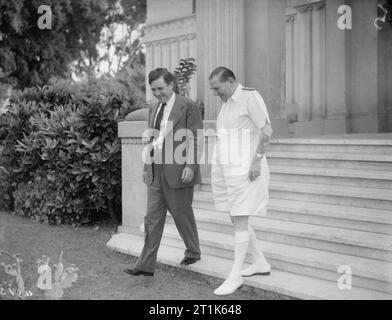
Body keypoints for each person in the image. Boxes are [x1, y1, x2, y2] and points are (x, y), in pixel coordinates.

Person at [125, 68, 203, 276]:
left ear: (171, 84)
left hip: (179, 169)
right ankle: (145, 265)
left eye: (160, 88)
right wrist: (145, 166)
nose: (157, 93)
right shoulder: (154, 107)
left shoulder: (188, 106)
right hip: (155, 169)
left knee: (181, 215)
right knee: (152, 218)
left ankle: (193, 252)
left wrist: (190, 165)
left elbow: (195, 138)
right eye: (153, 89)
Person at [209, 67, 273, 295]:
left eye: (217, 88)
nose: (216, 93)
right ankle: (260, 263)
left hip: (246, 170)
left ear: (231, 81)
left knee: (239, 218)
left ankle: (235, 275)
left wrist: (257, 161)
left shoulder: (250, 97)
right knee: (236, 216)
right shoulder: (226, 104)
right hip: (228, 170)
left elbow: (266, 130)